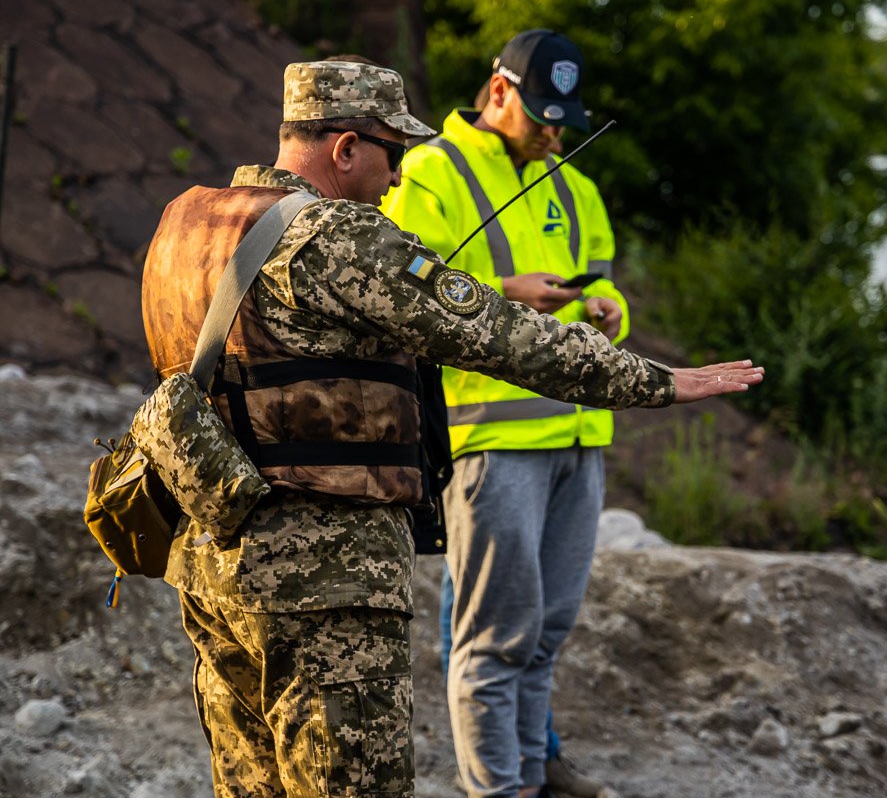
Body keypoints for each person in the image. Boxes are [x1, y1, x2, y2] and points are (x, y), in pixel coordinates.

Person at [139, 59, 761, 798]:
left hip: (211, 565)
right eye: (390, 154)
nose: (395, 180)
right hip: (325, 576)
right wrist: (657, 382)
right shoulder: (338, 237)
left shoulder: (188, 222)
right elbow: (500, 334)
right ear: (345, 149)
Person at [377, 30, 633, 798]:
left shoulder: (574, 184)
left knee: (545, 636)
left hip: (579, 436)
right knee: (494, 641)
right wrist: (507, 292)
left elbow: (608, 287)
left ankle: (530, 774)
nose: (554, 129)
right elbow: (407, 294)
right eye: (542, 111)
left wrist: (605, 306)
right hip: (491, 441)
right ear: (498, 92)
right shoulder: (429, 174)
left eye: (565, 115)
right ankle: (499, 789)